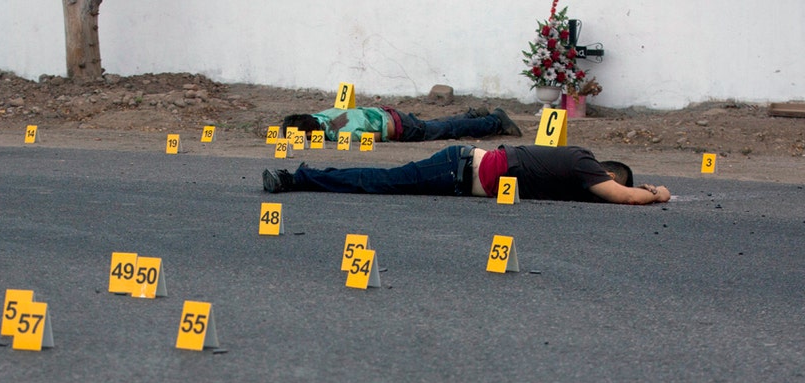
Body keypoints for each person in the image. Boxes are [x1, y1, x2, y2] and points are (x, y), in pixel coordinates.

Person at [261, 144, 671, 204]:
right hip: (456, 169)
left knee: (381, 182)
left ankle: (302, 177)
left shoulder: (578, 172)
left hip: (459, 175)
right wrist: (658, 194)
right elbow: (626, 197)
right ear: (610, 174)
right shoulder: (586, 163)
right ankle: (298, 177)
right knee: (378, 182)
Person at [283, 106, 522, 143]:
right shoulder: (323, 115)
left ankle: (494, 122)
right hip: (387, 113)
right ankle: (473, 116)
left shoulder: (338, 132)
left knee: (446, 131)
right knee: (437, 125)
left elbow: (373, 137)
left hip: (398, 127)